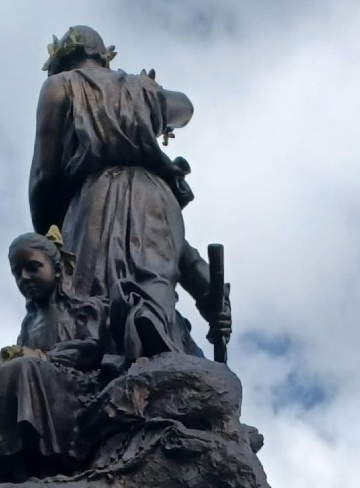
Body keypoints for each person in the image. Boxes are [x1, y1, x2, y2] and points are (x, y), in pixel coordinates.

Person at [29, 26, 230, 363]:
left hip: (94, 198)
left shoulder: (59, 86)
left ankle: (119, 358)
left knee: (93, 296)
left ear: (61, 61)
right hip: (156, 198)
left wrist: (49, 241)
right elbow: (185, 108)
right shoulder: (142, 90)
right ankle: (151, 337)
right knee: (155, 274)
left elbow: (43, 176)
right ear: (103, 57)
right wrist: (147, 97)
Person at [0, 229, 110, 482]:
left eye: (33, 268)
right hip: (40, 378)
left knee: (26, 367)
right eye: (17, 273)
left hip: (79, 389)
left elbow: (93, 348)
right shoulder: (29, 324)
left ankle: (49, 456)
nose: (24, 277)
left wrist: (44, 357)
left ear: (56, 269)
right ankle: (9, 463)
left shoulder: (84, 308)